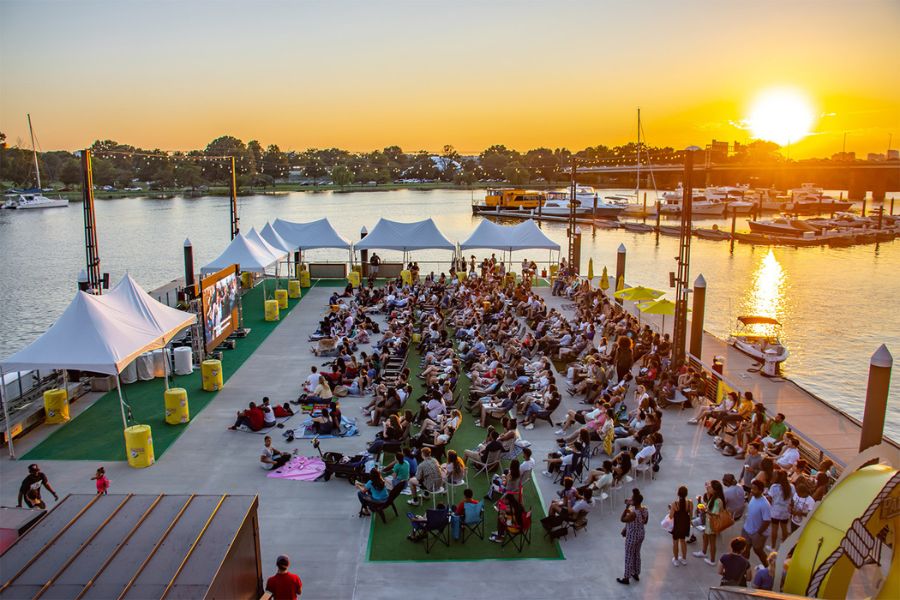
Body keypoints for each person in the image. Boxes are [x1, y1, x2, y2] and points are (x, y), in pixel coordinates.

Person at [617, 488, 649, 585]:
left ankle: (626, 577)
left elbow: (622, 519)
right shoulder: (645, 510)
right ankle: (636, 573)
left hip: (632, 536)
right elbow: (645, 522)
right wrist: (627, 528)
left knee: (629, 556)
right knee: (636, 553)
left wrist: (626, 507)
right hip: (641, 534)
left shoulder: (633, 513)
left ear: (634, 502)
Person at [693, 480, 725, 565]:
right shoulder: (713, 497)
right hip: (708, 522)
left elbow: (715, 514)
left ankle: (712, 560)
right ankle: (703, 552)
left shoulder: (718, 501)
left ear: (715, 489)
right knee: (705, 536)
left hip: (712, 524)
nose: (708, 488)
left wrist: (705, 510)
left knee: (712, 542)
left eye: (710, 487)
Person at [741, 480, 773, 565]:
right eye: (752, 488)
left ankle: (768, 568)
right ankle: (744, 567)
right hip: (747, 529)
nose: (752, 490)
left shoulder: (765, 504)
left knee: (758, 550)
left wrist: (758, 533)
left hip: (758, 533)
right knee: (744, 550)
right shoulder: (752, 497)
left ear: (761, 491)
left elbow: (767, 521)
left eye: (754, 489)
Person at [669, 485, 692, 566]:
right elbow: (691, 515)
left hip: (677, 525)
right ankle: (684, 559)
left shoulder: (675, 504)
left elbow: (671, 516)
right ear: (686, 494)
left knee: (675, 542)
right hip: (685, 525)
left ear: (678, 493)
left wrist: (670, 509)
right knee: (683, 541)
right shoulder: (689, 503)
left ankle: (675, 559)